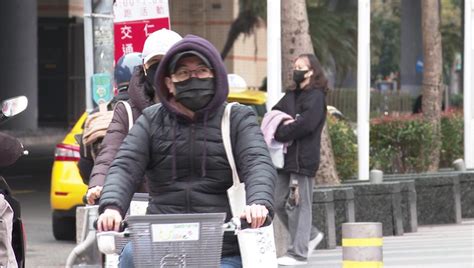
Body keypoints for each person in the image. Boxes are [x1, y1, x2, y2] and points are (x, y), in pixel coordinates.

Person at [96, 34, 277, 268]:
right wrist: (112, 207)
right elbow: (125, 165)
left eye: (201, 71)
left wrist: (258, 202)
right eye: (183, 73)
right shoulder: (151, 121)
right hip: (160, 241)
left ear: (215, 76)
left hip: (224, 246)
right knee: (130, 256)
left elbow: (258, 163)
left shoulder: (236, 119)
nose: (193, 78)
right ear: (169, 82)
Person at [84, 29, 183, 205]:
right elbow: (110, 152)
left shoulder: (203, 108)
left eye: (168, 62)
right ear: (144, 67)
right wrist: (99, 184)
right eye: (155, 62)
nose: (162, 70)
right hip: (144, 211)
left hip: (195, 212)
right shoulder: (127, 111)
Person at [273, 53, 327, 266]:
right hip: (284, 159)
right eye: (295, 66)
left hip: (303, 159)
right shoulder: (291, 95)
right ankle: (311, 235)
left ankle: (298, 252)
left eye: (301, 67)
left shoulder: (316, 96)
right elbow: (275, 115)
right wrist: (284, 126)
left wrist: (284, 130)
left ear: (312, 71)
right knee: (277, 201)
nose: (296, 70)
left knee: (298, 205)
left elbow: (305, 125)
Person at [77, 52, 142, 181]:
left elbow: (85, 171)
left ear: (116, 83)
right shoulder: (153, 112)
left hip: (103, 193)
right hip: (143, 196)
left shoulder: (96, 114)